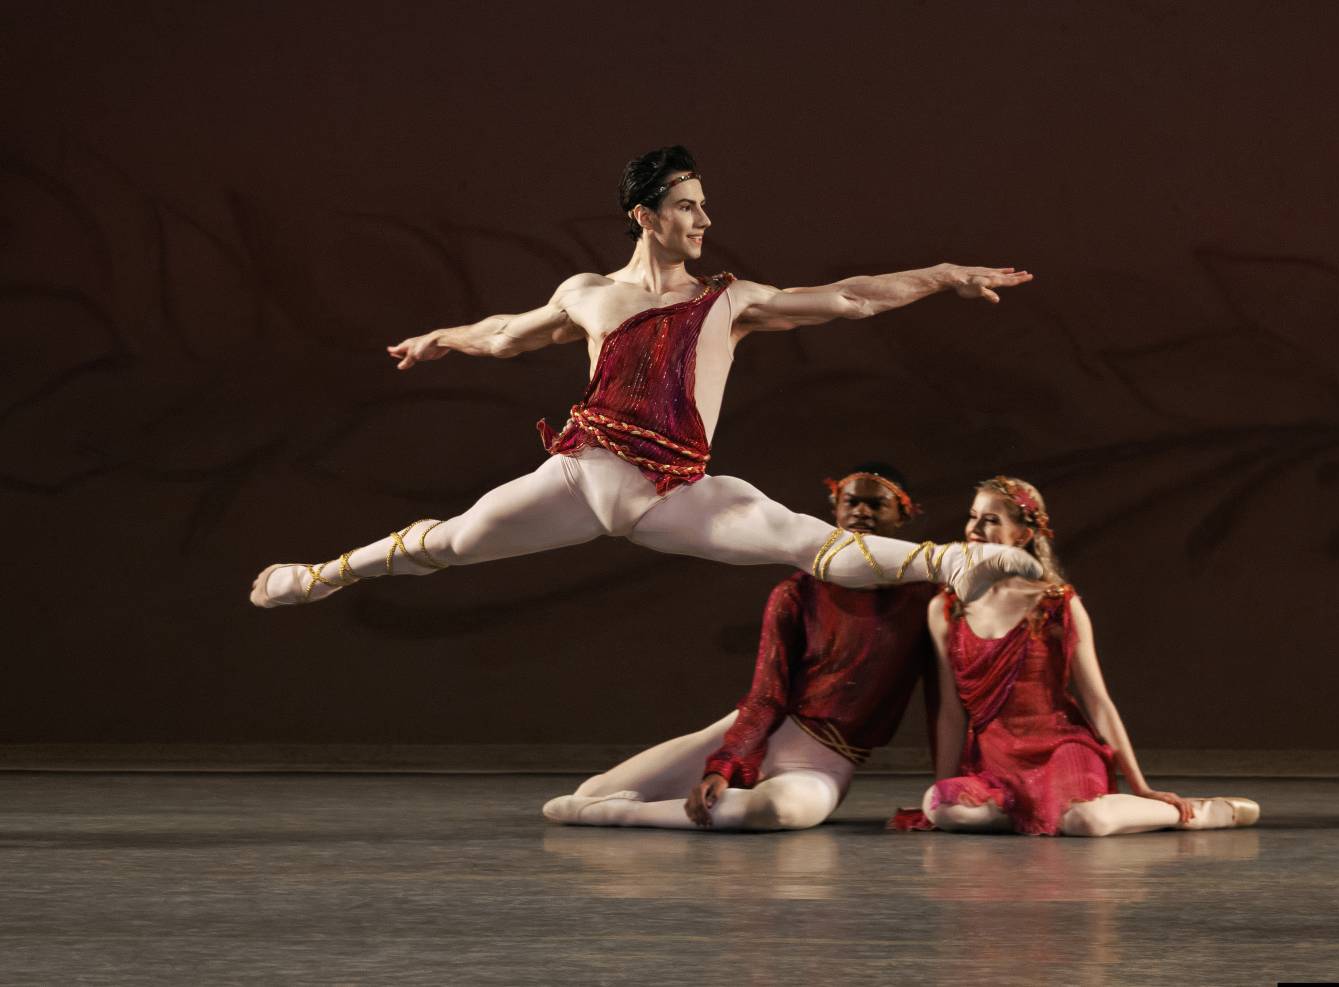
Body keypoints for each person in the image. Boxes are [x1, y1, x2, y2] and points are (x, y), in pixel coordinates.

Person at [249, 145, 1039, 609]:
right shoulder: (588, 294)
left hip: (673, 494)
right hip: (580, 477)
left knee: (801, 538)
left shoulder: (732, 302)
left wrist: (941, 273)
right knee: (451, 541)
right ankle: (322, 575)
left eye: (703, 207)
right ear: (645, 215)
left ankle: (953, 562)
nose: (703, 221)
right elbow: (505, 336)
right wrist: (443, 337)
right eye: (688, 207)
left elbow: (852, 299)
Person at [543, 465, 938, 830]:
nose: (862, 513)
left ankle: (625, 814)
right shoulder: (798, 593)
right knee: (588, 793)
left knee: (771, 812)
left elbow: (943, 701)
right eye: (852, 502)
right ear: (835, 509)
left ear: (902, 516)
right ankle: (610, 805)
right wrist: (724, 763)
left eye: (877, 504)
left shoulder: (924, 599)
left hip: (825, 761)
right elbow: (766, 696)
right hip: (755, 731)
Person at [889, 476, 1259, 836]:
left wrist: (1140, 784)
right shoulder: (946, 607)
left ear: (1023, 535)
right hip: (995, 759)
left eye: (991, 520)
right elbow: (952, 710)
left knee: (1085, 822)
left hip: (1059, 750)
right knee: (940, 805)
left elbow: (1098, 702)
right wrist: (943, 785)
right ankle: (1036, 814)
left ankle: (1190, 813)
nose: (974, 528)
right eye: (973, 516)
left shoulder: (1056, 604)